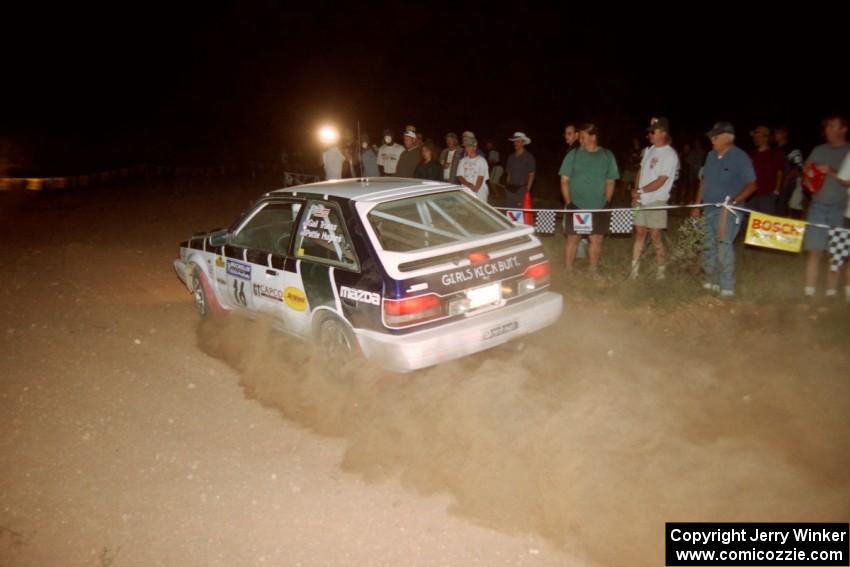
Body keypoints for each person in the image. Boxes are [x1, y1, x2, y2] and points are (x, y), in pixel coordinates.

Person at [692, 121, 757, 297]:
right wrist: (698, 205)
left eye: (716, 136)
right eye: (712, 136)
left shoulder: (740, 157)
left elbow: (752, 185)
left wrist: (733, 203)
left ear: (728, 137)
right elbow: (704, 181)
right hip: (709, 208)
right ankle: (710, 280)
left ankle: (727, 285)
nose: (712, 139)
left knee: (724, 245)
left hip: (729, 211)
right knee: (708, 245)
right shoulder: (710, 156)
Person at [558, 123, 619, 274]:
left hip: (598, 205)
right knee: (573, 238)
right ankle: (568, 270)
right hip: (576, 205)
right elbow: (564, 180)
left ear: (593, 137)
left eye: (583, 137)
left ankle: (593, 269)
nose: (581, 141)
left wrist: (607, 202)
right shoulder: (574, 154)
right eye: (580, 138)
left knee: (596, 238)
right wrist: (568, 203)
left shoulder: (607, 155)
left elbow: (611, 181)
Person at [802, 115, 850, 299]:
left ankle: (830, 294)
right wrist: (807, 179)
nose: (827, 129)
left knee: (835, 253)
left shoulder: (848, 151)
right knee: (815, 250)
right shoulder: (819, 149)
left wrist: (830, 171)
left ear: (843, 129)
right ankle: (809, 292)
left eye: (832, 126)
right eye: (827, 126)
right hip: (818, 206)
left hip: (842, 208)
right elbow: (806, 171)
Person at [630, 117, 679, 280]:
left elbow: (661, 180)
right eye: (649, 131)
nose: (649, 134)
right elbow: (641, 171)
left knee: (656, 236)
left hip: (657, 200)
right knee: (639, 233)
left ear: (663, 133)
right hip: (641, 200)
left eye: (653, 131)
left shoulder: (670, 155)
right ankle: (634, 270)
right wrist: (636, 192)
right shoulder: (649, 150)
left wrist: (641, 191)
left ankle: (661, 271)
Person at [747, 125, 785, 214]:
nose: (755, 139)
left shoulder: (775, 154)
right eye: (755, 137)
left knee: (764, 220)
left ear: (766, 138)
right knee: (747, 219)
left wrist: (776, 191)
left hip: (767, 194)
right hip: (751, 194)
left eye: (759, 137)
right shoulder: (751, 154)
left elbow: (780, 173)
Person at [505, 131, 536, 208]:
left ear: (523, 143)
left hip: (522, 190)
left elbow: (531, 175)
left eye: (518, 141)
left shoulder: (529, 157)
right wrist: (507, 186)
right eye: (514, 141)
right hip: (510, 189)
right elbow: (509, 173)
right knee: (510, 212)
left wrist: (527, 190)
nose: (515, 143)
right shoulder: (511, 157)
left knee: (519, 214)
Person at [456, 134, 490, 202]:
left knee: (479, 210)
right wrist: (468, 184)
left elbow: (480, 177)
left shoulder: (481, 160)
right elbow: (459, 175)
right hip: (466, 190)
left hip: (480, 191)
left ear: (475, 147)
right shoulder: (462, 160)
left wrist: (475, 189)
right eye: (465, 147)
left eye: (469, 146)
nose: (466, 149)